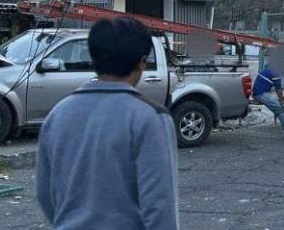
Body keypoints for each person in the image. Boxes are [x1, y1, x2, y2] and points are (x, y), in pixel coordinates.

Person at [36, 17, 179, 230]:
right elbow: (159, 205)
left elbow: (45, 194)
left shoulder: (58, 114)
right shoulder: (150, 117)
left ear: (93, 58)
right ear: (142, 61)